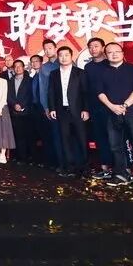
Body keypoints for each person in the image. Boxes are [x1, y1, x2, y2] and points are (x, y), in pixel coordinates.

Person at [98, 42, 133, 191]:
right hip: (111, 113)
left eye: (117, 51)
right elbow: (100, 92)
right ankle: (121, 174)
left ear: (122, 53)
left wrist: (125, 105)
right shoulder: (102, 72)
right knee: (115, 145)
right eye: (110, 52)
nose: (114, 54)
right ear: (106, 55)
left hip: (132, 113)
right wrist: (112, 107)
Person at [47, 47, 89, 177]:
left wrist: (86, 109)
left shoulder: (80, 72)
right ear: (58, 57)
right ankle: (70, 167)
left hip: (78, 111)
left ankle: (84, 168)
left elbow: (85, 92)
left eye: (66, 55)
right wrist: (52, 108)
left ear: (71, 56)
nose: (64, 58)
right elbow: (51, 92)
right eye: (61, 55)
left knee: (82, 139)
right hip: (62, 112)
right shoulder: (53, 74)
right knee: (65, 140)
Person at [83, 38, 113, 180]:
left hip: (111, 107)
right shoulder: (88, 67)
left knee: (115, 138)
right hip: (94, 108)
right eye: (90, 47)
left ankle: (120, 168)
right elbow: (86, 89)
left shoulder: (110, 63)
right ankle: (105, 168)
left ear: (103, 47)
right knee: (100, 138)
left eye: (96, 46)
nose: (93, 49)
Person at [37, 40, 64, 171]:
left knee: (71, 135)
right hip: (52, 106)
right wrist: (46, 107)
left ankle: (75, 163)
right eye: (45, 49)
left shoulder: (65, 61)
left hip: (69, 105)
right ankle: (61, 163)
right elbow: (43, 90)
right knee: (56, 135)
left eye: (50, 48)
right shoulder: (44, 67)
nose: (48, 51)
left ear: (55, 48)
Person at [8, 59, 35, 163]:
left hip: (27, 111)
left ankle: (31, 157)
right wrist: (14, 104)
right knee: (18, 135)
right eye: (15, 66)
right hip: (14, 112)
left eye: (20, 66)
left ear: (23, 68)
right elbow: (8, 95)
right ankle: (21, 157)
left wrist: (22, 105)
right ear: (13, 69)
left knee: (29, 135)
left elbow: (31, 95)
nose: (18, 68)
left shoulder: (30, 80)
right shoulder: (10, 81)